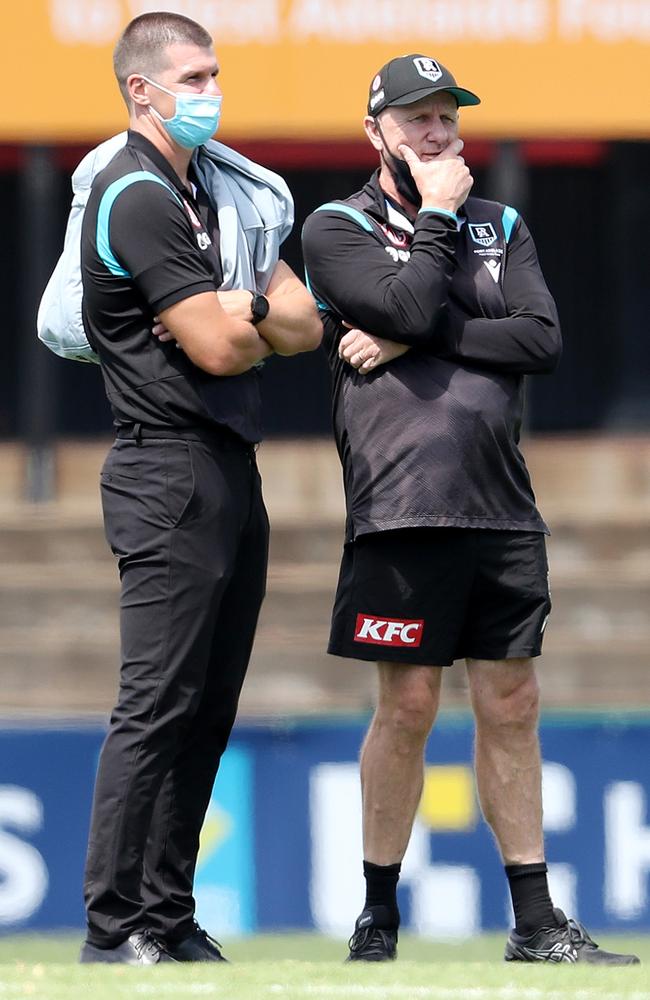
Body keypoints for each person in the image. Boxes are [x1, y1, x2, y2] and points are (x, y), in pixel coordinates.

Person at [301, 54, 639, 965]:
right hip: (402, 505)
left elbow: (542, 339)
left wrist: (415, 330)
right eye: (417, 120)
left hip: (501, 506)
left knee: (514, 701)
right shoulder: (335, 226)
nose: (438, 134)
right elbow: (402, 289)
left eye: (447, 117)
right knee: (407, 706)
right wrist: (437, 226)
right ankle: (378, 915)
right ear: (376, 132)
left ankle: (535, 923)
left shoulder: (505, 223)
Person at [75, 12, 321, 964]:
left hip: (226, 463)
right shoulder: (131, 191)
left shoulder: (213, 195)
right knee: (157, 704)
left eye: (215, 72)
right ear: (142, 89)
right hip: (165, 465)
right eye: (197, 75)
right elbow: (223, 347)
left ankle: (168, 917)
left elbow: (301, 320)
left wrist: (245, 304)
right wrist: (247, 313)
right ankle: (112, 926)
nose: (213, 90)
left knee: (209, 705)